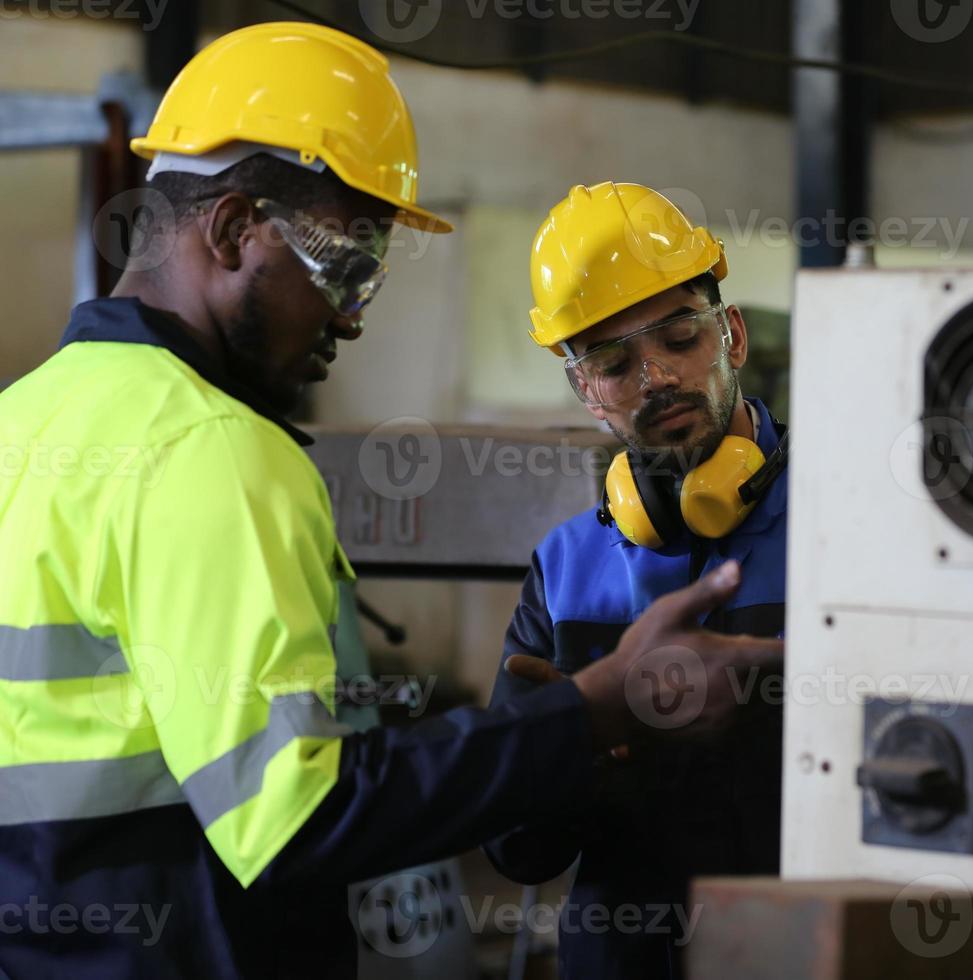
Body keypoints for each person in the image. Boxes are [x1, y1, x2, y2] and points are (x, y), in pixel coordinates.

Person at [0, 26, 779, 979]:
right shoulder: (211, 451)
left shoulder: (20, 423)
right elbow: (297, 818)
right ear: (237, 226)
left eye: (680, 338)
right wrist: (590, 714)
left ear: (730, 335)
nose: (352, 314)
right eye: (346, 267)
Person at [484, 182, 789, 979]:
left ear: (731, 334)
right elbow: (517, 849)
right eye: (614, 362)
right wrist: (578, 744)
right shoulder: (565, 571)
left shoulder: (849, 529)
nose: (655, 378)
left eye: (679, 336)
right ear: (586, 392)